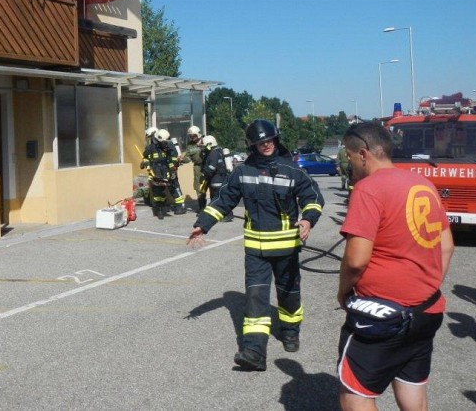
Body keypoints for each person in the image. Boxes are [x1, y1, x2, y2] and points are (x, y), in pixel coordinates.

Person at [187, 119, 324, 371]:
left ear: (276, 139)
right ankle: (254, 351)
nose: (266, 145)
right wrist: (203, 224)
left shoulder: (291, 169)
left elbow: (313, 197)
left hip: (286, 248)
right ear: (253, 145)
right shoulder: (243, 172)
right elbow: (223, 200)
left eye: (269, 140)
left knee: (289, 295)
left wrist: (308, 219)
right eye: (261, 142)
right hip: (256, 251)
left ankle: (290, 331)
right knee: (255, 299)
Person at [336, 122, 455, 411]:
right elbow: (447, 245)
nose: (350, 166)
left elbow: (356, 260)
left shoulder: (368, 189)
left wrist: (343, 292)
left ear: (363, 154)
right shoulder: (423, 184)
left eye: (350, 157)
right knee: (412, 390)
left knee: (355, 395)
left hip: (383, 316)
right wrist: (425, 287)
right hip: (426, 311)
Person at [142, 128, 185, 217]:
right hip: (158, 172)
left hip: (169, 170)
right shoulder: (152, 147)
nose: (151, 139)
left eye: (151, 137)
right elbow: (147, 157)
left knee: (174, 187)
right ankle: (159, 208)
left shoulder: (168, 145)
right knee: (158, 190)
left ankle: (180, 206)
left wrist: (172, 169)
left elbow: (173, 157)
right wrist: (147, 165)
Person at [200, 135, 233, 222]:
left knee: (218, 198)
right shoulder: (219, 151)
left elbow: (212, 167)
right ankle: (218, 215)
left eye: (204, 145)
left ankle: (228, 215)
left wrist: (204, 173)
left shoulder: (213, 154)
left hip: (216, 180)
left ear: (209, 144)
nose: (203, 147)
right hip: (220, 178)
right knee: (218, 198)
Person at [182, 126, 206, 211]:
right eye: (190, 136)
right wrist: (182, 159)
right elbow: (188, 158)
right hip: (198, 167)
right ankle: (202, 208)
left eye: (194, 135)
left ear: (198, 134)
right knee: (198, 187)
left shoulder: (206, 140)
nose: (192, 137)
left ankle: (215, 207)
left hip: (208, 165)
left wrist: (203, 146)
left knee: (212, 185)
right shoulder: (190, 145)